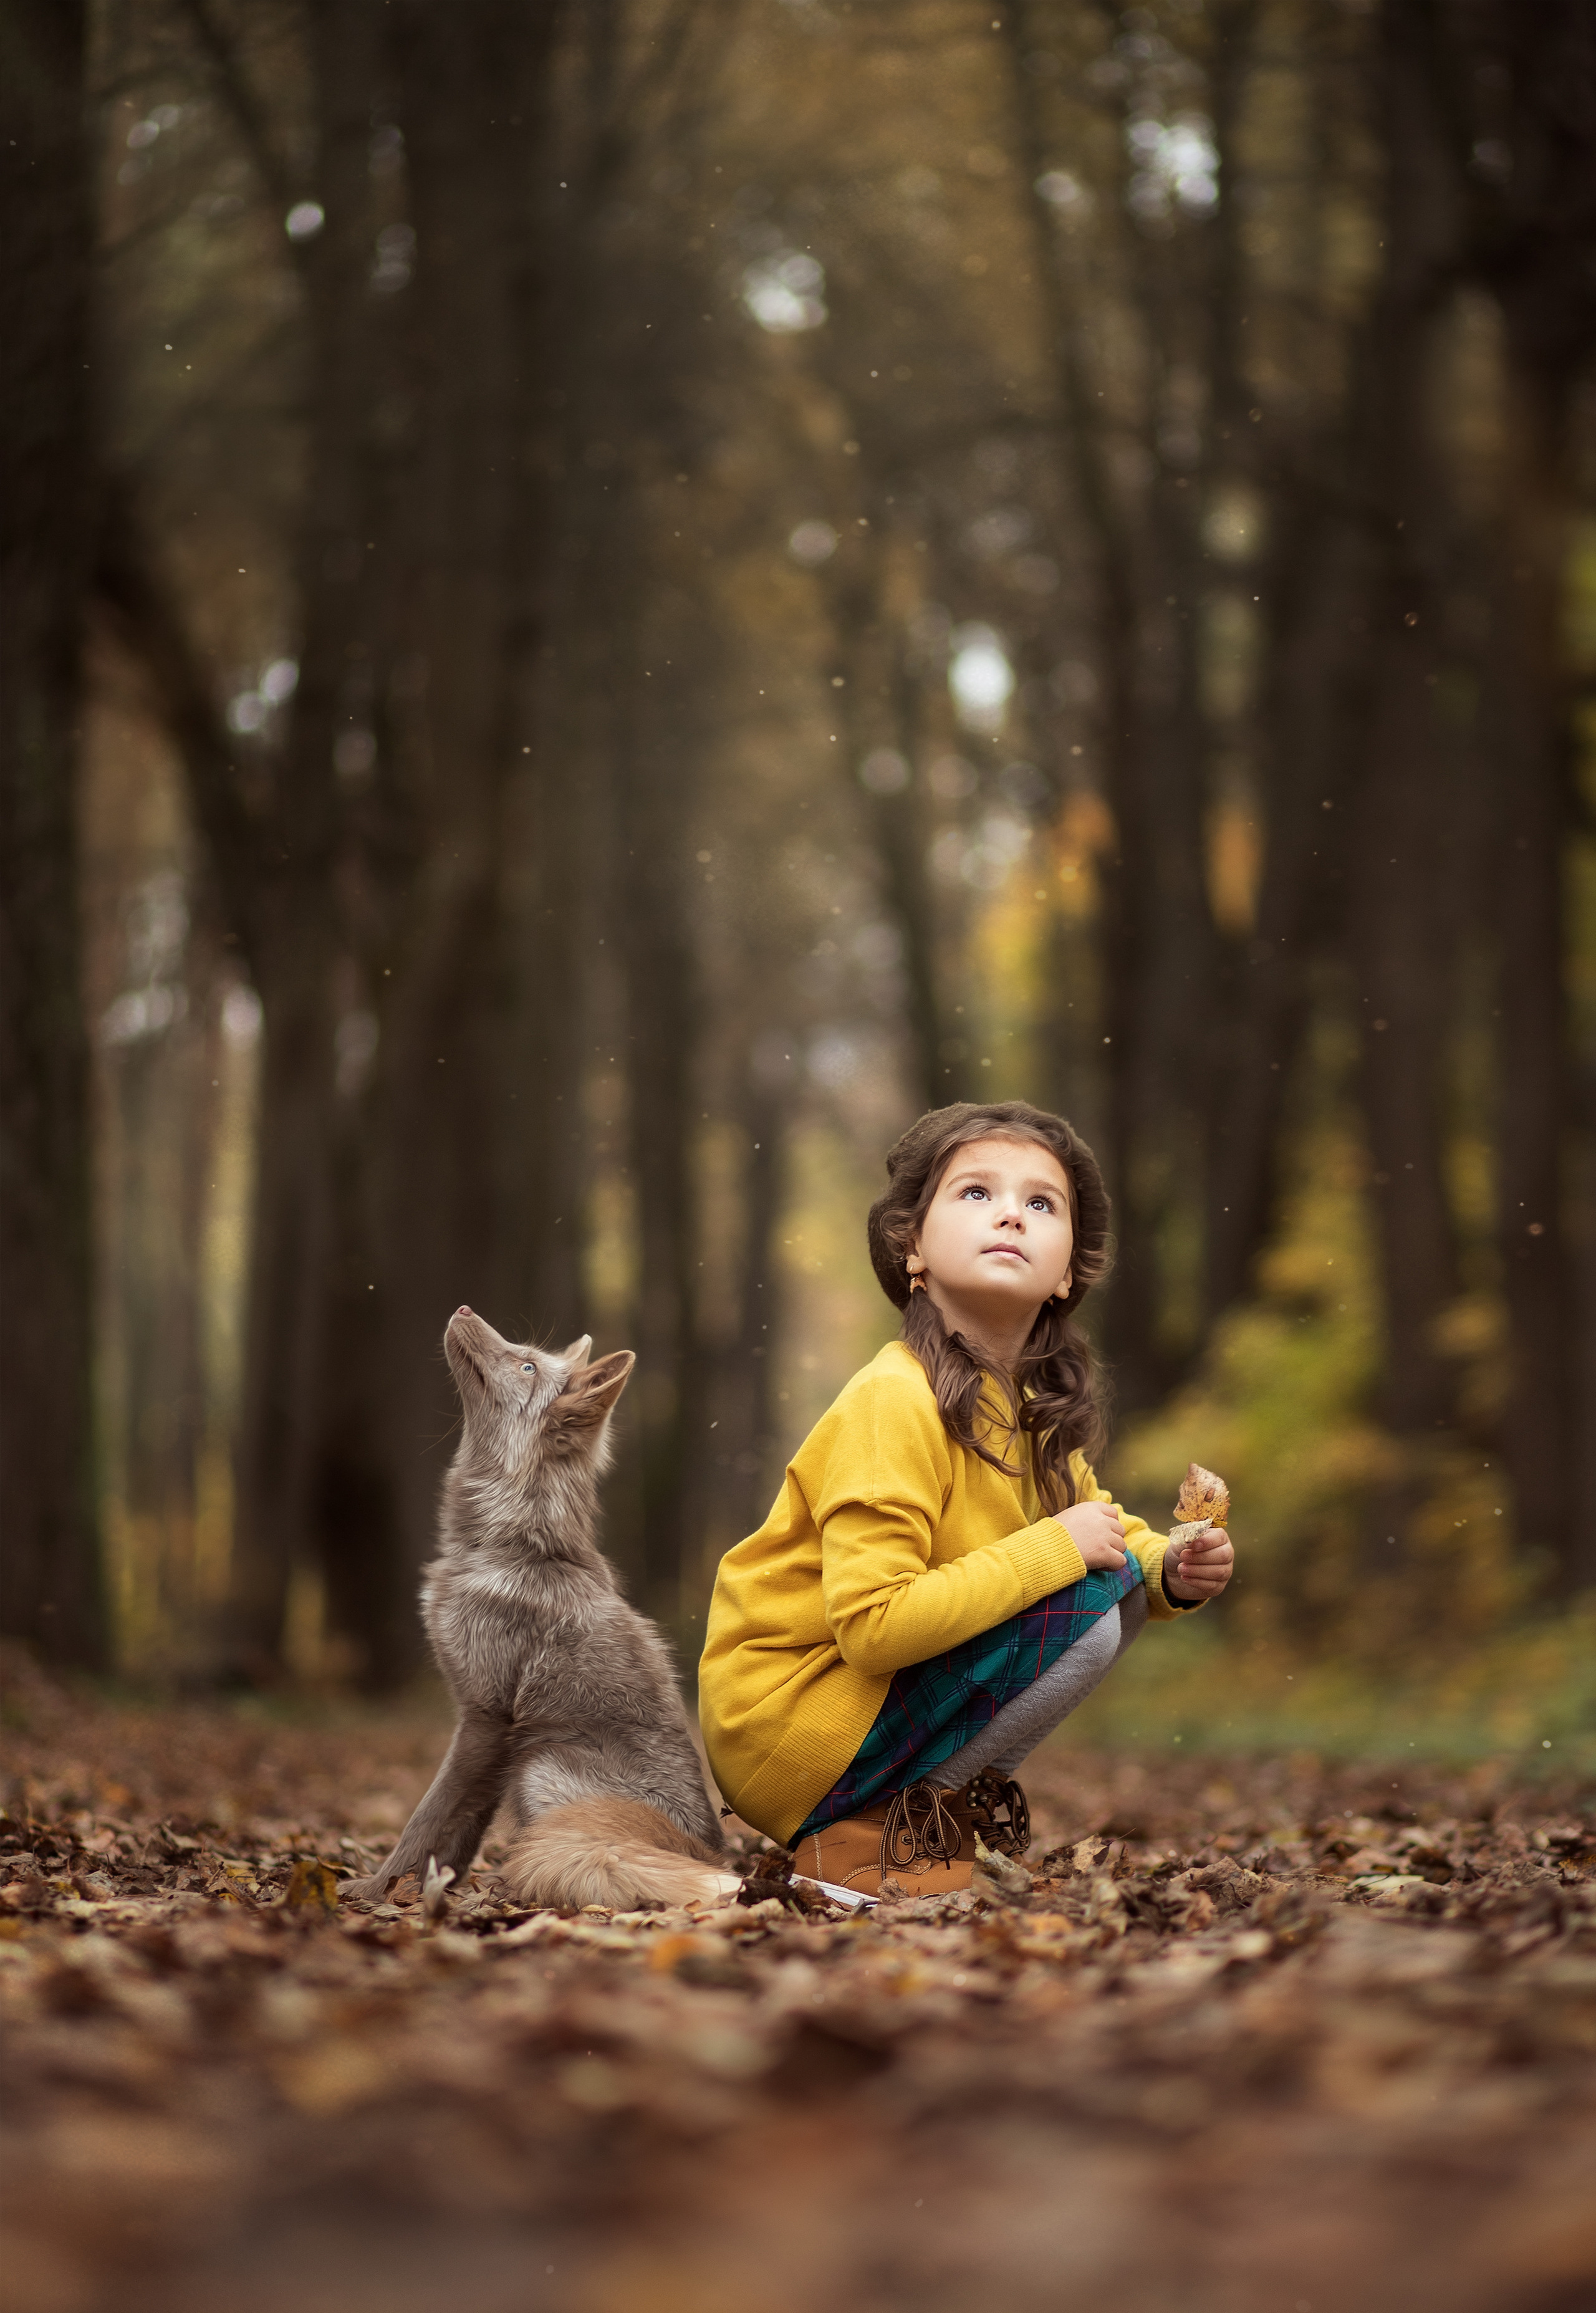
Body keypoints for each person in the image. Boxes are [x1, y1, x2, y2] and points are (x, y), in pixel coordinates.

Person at [698, 1099, 1235, 1897]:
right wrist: (1058, 1547)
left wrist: (1173, 1569)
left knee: (1119, 1584)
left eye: (1041, 1203)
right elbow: (874, 1628)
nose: (1011, 1214)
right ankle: (873, 1832)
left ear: (1067, 1272)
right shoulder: (892, 1398)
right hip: (794, 1723)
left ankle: (923, 1818)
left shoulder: (1026, 1411)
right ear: (910, 1246)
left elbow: (1109, 1530)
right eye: (976, 1192)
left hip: (862, 1712)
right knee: (1094, 1590)